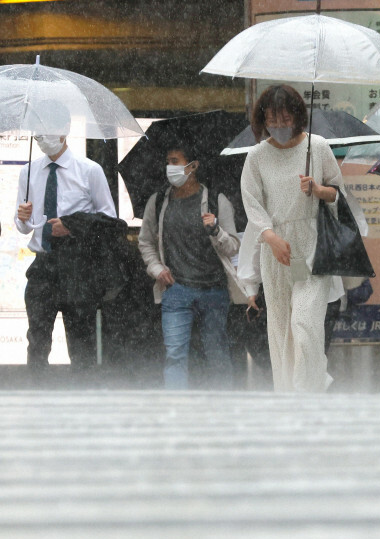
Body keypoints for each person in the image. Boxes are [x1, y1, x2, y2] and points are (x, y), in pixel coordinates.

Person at [239, 84, 343, 392]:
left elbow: (338, 194)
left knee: (306, 324)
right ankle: (289, 396)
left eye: (285, 118)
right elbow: (252, 202)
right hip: (276, 251)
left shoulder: (318, 147)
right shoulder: (256, 156)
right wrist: (270, 237)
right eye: (272, 118)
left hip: (311, 247)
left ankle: (309, 388)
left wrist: (317, 190)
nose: (280, 125)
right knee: (282, 329)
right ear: (262, 119)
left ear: (297, 116)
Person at [14, 100, 117, 378]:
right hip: (43, 265)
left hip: (78, 267)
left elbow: (110, 223)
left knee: (80, 344)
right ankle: (37, 400)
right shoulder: (29, 171)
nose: (41, 135)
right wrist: (22, 217)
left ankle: (81, 405)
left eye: (46, 129)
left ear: (64, 131)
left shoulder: (89, 171)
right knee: (37, 340)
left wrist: (72, 226)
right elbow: (23, 227)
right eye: (37, 129)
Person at [138, 140, 242, 389]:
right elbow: (146, 242)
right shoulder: (159, 201)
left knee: (217, 352)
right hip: (176, 291)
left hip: (214, 290)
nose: (169, 167)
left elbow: (233, 247)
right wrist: (157, 269)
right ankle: (178, 410)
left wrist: (216, 230)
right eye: (168, 162)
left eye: (175, 162)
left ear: (193, 166)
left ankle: (223, 406)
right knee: (175, 355)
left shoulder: (217, 200)